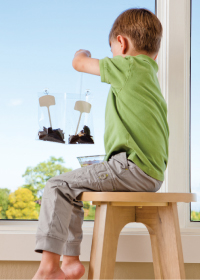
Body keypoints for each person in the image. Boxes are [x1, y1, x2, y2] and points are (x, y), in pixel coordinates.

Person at [32, 8, 169, 280]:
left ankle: (49, 269)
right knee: (72, 188)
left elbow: (80, 64)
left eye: (112, 50)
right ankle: (70, 261)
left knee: (57, 185)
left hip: (131, 168)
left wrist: (79, 54)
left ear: (121, 43)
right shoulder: (149, 76)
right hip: (150, 173)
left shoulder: (129, 66)